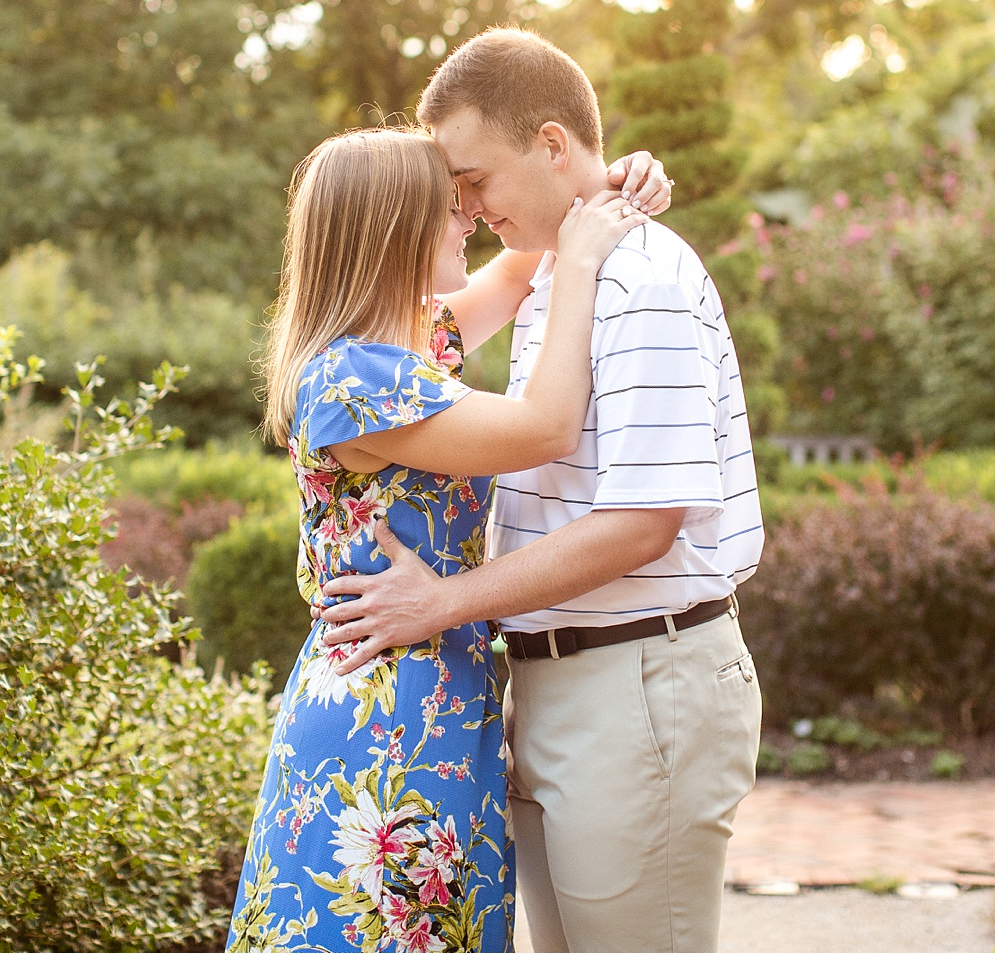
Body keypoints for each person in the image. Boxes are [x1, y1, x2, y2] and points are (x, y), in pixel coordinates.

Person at [313, 28, 767, 952]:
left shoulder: (633, 277)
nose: (467, 211)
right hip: (551, 683)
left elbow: (643, 525)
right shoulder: (560, 275)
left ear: (551, 146)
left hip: (636, 676)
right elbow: (540, 402)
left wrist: (444, 604)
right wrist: (598, 197)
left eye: (473, 181)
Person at [224, 126, 671, 953]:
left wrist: (606, 179)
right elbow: (544, 427)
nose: (469, 216)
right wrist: (578, 265)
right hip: (387, 716)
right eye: (450, 205)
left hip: (436, 692)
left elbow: (518, 261)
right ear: (394, 230)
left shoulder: (413, 345)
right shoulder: (357, 377)